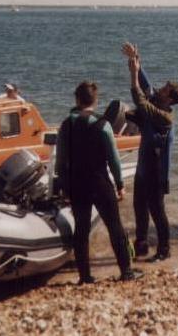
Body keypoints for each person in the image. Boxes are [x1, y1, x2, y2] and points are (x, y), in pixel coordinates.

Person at [56, 81, 143, 283]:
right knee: (115, 227)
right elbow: (113, 159)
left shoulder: (66, 125)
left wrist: (64, 186)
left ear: (77, 99)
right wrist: (120, 184)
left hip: (76, 184)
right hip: (100, 183)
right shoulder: (103, 125)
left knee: (81, 229)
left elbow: (60, 160)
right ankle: (126, 272)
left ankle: (85, 276)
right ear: (95, 100)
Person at [122, 42, 178, 262]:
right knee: (139, 207)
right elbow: (146, 86)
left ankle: (164, 249)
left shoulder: (164, 117)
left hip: (156, 173)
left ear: (169, 99)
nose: (160, 88)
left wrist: (133, 75)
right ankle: (141, 245)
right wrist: (136, 59)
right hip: (143, 168)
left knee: (157, 212)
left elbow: (140, 99)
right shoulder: (158, 102)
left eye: (165, 88)